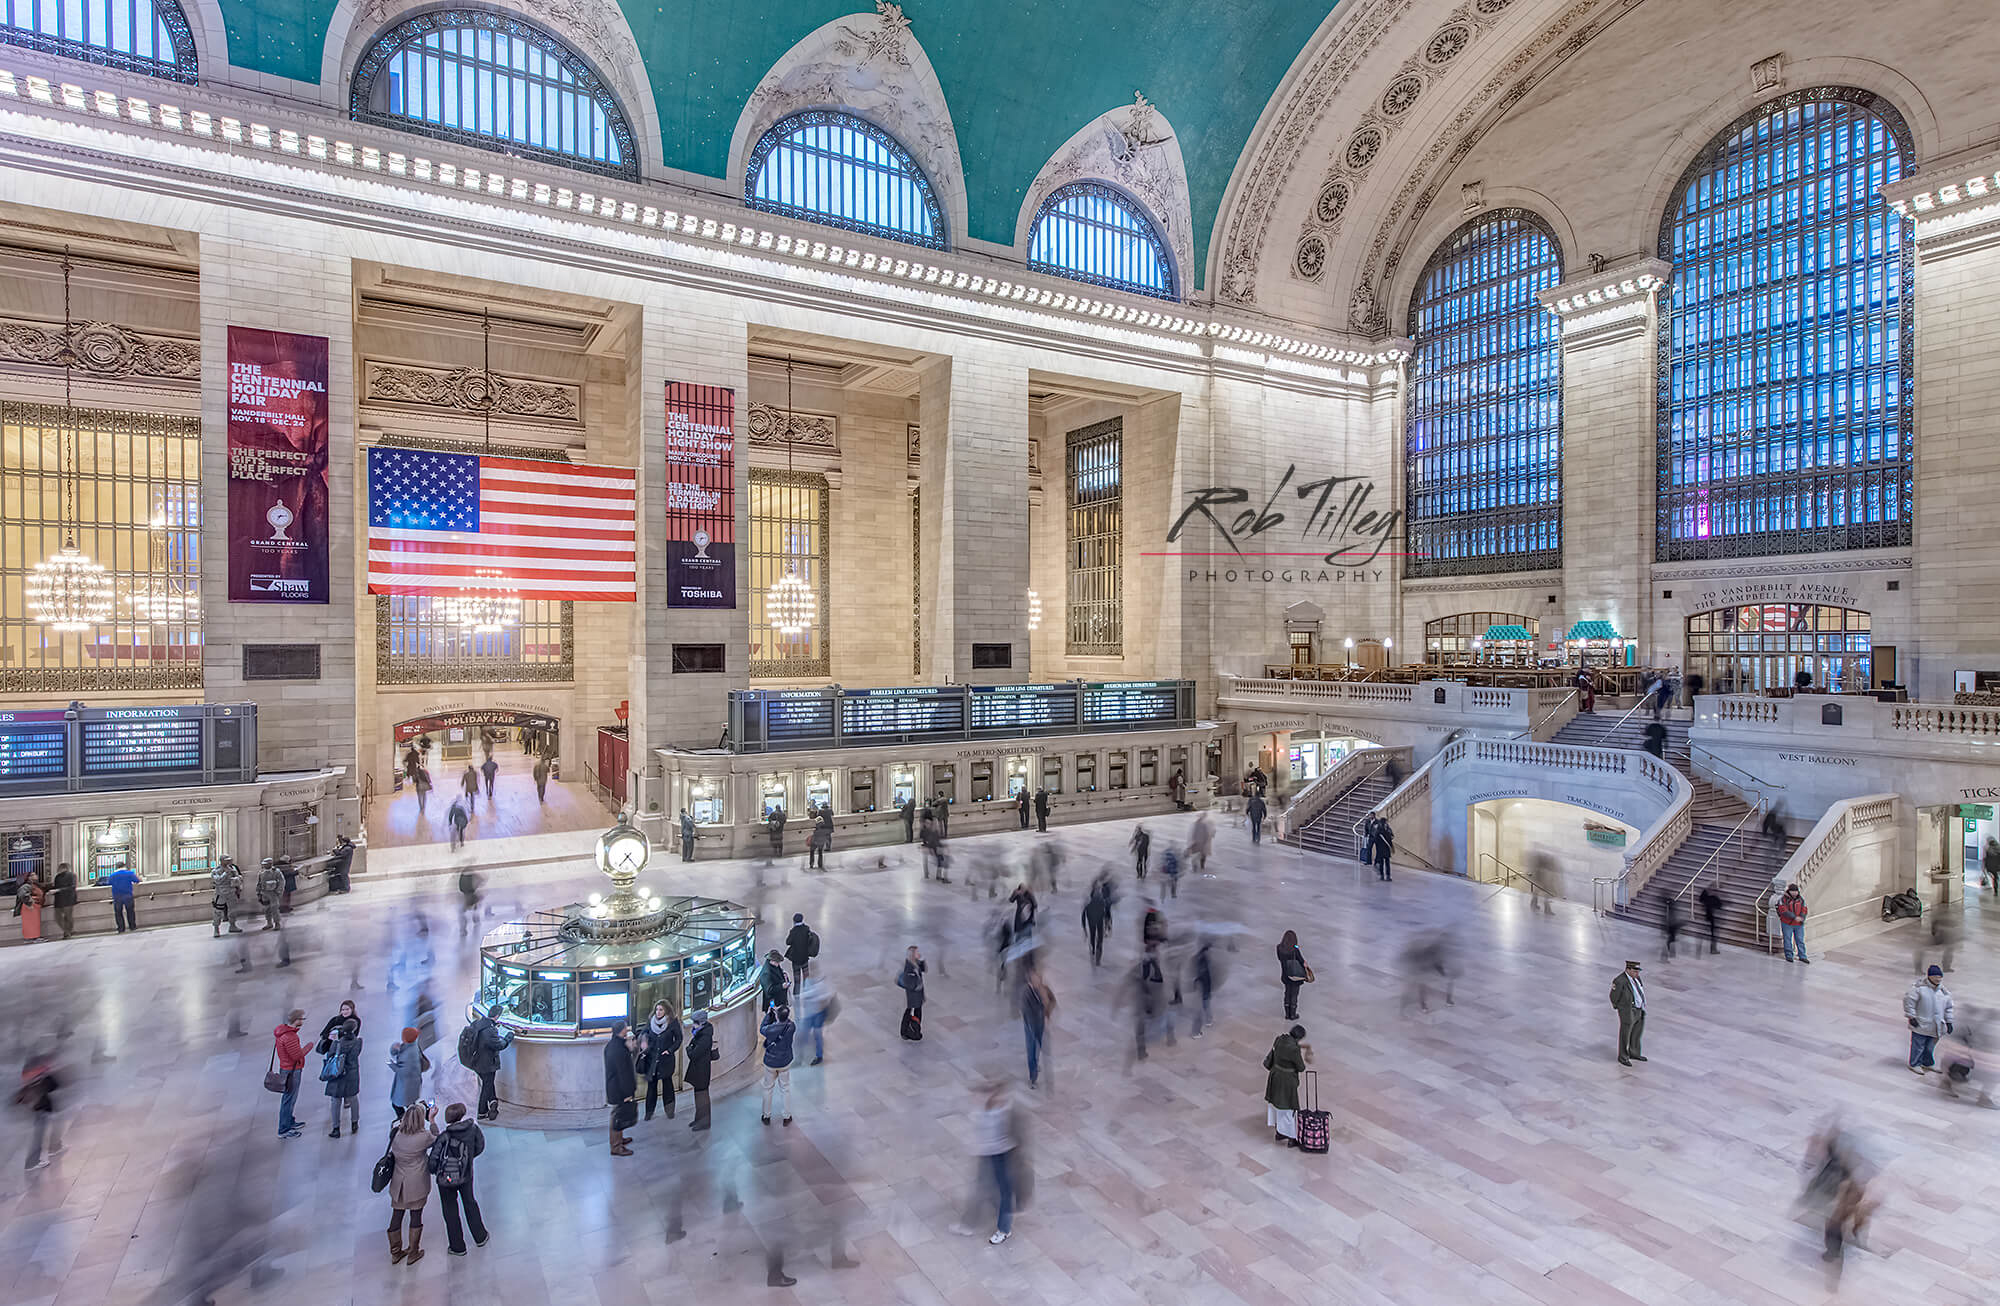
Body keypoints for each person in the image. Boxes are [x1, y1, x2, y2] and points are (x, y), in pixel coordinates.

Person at [950, 1082, 1025, 1245]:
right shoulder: (986, 1107)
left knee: (1004, 1192)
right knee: (982, 1188)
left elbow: (1018, 1137)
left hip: (1003, 1155)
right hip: (987, 1153)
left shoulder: (1007, 1110)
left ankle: (1004, 1229)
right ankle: (969, 1224)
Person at [430, 1103, 489, 1256]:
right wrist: (467, 1160)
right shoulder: (473, 1129)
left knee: (450, 1211)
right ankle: (480, 1236)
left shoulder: (444, 1136)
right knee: (470, 1203)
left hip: (446, 1180)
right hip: (465, 1175)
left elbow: (433, 1162)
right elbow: (480, 1146)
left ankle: (457, 1247)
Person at [385, 1102, 438, 1264]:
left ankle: (395, 1251)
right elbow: (437, 1138)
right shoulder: (423, 1137)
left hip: (398, 1181)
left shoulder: (396, 1134)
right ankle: (413, 1251)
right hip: (416, 1181)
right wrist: (433, 1120)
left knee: (397, 1214)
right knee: (416, 1215)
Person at [1263, 1025, 1308, 1147]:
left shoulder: (1279, 1039)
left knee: (1276, 1105)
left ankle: (1279, 1132)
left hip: (1275, 1075)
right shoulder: (1294, 1049)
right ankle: (1291, 1137)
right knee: (1288, 1108)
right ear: (1299, 1038)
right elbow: (1301, 1067)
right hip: (1287, 1081)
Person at [1905, 965, 1954, 1075]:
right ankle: (1915, 1063)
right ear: (1930, 977)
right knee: (1918, 1045)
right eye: (1935, 976)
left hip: (1936, 1026)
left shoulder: (1944, 992)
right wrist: (1911, 1016)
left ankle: (1927, 1062)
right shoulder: (1919, 989)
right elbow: (1909, 1003)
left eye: (1940, 976)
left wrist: (1949, 1021)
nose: (1938, 979)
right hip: (1921, 1024)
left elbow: (1948, 1008)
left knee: (1930, 1046)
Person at [463, 1009, 510, 1122]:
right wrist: (509, 1036)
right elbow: (499, 1045)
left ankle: (493, 1101)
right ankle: (482, 1111)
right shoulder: (489, 1031)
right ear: (497, 1016)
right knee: (487, 1086)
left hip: (475, 1061)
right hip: (487, 1063)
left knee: (488, 1083)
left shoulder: (477, 1023)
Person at [17, 1050, 60, 1171]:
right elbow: (21, 1076)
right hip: (34, 1102)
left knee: (39, 1125)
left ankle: (36, 1158)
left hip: (34, 1101)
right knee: (39, 1128)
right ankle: (32, 1161)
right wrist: (40, 1070)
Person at [321, 1017, 362, 1137]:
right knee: (353, 1098)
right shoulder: (358, 1042)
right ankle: (354, 1123)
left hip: (337, 1074)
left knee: (335, 1101)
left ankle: (336, 1128)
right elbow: (356, 1054)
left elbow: (330, 1056)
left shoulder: (337, 1043)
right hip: (352, 1073)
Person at [641, 1000, 681, 1119]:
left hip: (665, 1060)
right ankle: (649, 1113)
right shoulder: (651, 1021)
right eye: (657, 1009)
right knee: (651, 1087)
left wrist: (669, 1050)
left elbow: (678, 1039)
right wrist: (643, 1041)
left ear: (666, 1011)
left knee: (667, 1086)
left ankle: (670, 1112)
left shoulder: (672, 1022)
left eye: (661, 1010)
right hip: (652, 1060)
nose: (658, 1012)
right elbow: (644, 1032)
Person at [1019, 959, 1055, 1089]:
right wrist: (1032, 1026)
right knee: (1031, 1049)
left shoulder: (1043, 990)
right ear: (1030, 982)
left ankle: (1035, 1063)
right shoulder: (1026, 994)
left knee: (1038, 1047)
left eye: (1039, 978)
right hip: (1030, 1026)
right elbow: (1025, 1012)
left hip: (1040, 1024)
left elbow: (1052, 1001)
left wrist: (1047, 1014)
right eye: (1036, 979)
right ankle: (1032, 1076)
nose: (1039, 981)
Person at [604, 1020, 638, 1155]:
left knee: (619, 1114)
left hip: (615, 1087)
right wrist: (627, 1092)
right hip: (619, 1090)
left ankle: (619, 1139)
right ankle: (616, 1146)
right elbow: (623, 1073)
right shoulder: (618, 1050)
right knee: (617, 1116)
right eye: (625, 1028)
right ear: (622, 1030)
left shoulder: (612, 1045)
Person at [759, 1004, 796, 1126]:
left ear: (777, 1016)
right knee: (785, 1088)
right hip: (785, 1061)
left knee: (768, 1088)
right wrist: (778, 1014)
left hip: (771, 1063)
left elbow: (762, 1028)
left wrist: (769, 1015)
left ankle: (766, 1115)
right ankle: (787, 1116)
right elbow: (785, 1022)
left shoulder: (770, 1030)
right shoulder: (791, 1026)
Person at [273, 1009, 307, 1137]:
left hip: (287, 1069)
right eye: (302, 1019)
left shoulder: (283, 1032)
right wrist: (309, 1046)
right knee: (289, 1099)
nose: (303, 1021)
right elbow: (296, 1055)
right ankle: (284, 1129)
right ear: (297, 1020)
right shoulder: (290, 1037)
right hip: (292, 1071)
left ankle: (289, 1121)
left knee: (290, 1098)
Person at [684, 1009, 716, 1130]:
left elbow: (693, 1053)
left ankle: (704, 1122)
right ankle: (699, 1119)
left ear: (701, 1023)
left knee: (702, 1096)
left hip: (701, 1070)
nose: (693, 1025)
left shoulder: (704, 1037)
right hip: (699, 1069)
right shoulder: (701, 1033)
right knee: (699, 1095)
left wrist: (689, 1049)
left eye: (695, 1023)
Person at [1610, 961, 1647, 1066]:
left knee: (1636, 1033)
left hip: (1639, 1010)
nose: (1637, 973)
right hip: (1628, 1011)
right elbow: (1613, 996)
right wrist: (1621, 1008)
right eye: (1635, 971)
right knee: (1625, 1034)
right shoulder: (1620, 981)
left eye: (1638, 971)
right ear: (1628, 969)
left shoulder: (1637, 979)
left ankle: (1634, 1052)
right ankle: (1623, 1057)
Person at [388, 1026, 423, 1124]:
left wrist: (392, 1066)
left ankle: (406, 1121)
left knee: (399, 1105)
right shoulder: (412, 1046)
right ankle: (410, 1120)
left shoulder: (410, 1054)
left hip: (407, 1085)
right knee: (410, 1105)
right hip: (410, 1083)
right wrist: (395, 1048)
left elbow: (404, 1071)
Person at [797, 974, 834, 1066]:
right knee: (806, 1034)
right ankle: (801, 1055)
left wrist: (812, 996)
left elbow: (826, 997)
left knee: (816, 1035)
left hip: (817, 1015)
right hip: (810, 1014)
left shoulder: (821, 985)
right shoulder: (809, 982)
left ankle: (818, 1056)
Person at [1276, 930, 1311, 1021]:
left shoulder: (1279, 947)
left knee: (1287, 993)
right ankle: (1293, 1014)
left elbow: (1279, 958)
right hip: (1295, 976)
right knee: (1294, 994)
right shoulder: (1295, 949)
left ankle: (1287, 1014)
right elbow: (1302, 961)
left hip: (1285, 975)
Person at [1776, 883, 1810, 963]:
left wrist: (1802, 918)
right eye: (1793, 891)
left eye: (1796, 891)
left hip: (1798, 924)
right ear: (1789, 891)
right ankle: (1789, 955)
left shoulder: (1801, 900)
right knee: (1787, 939)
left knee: (1800, 940)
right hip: (1787, 923)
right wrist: (1795, 917)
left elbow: (1804, 909)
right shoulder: (1783, 899)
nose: (1795, 893)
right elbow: (1783, 910)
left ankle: (1802, 956)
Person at [898, 945, 927, 1040]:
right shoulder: (909, 967)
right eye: (917, 952)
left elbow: (924, 970)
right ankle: (910, 1031)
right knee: (912, 1010)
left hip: (918, 993)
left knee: (915, 1010)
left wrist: (922, 960)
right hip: (913, 993)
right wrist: (916, 986)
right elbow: (909, 982)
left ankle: (914, 1030)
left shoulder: (916, 963)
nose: (919, 954)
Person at [1081, 879, 1112, 966]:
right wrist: (1108, 924)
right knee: (1098, 938)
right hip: (1098, 922)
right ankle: (1097, 952)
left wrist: (1084, 927)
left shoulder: (1089, 903)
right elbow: (1107, 913)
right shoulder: (1101, 901)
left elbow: (1083, 915)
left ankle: (1094, 949)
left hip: (1093, 922)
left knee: (1093, 936)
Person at [1188, 940, 1215, 1037]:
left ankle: (1208, 1020)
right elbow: (1204, 976)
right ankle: (1205, 1023)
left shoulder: (1197, 958)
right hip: (1203, 987)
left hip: (1200, 987)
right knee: (1204, 1005)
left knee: (1204, 1004)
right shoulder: (1203, 962)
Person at [785, 913, 818, 990]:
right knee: (806, 978)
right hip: (805, 958)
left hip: (796, 959)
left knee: (797, 980)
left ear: (794, 921)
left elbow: (788, 942)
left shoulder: (793, 931)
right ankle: (807, 991)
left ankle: (797, 994)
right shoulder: (806, 929)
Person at [209, 858, 242, 936]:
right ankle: (216, 929)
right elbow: (218, 880)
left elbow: (238, 878)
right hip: (221, 893)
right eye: (226, 860)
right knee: (218, 912)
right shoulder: (216, 870)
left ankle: (232, 925)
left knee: (233, 910)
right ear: (222, 861)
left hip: (231, 892)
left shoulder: (232, 868)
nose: (229, 861)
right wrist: (225, 873)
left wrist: (237, 882)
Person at [107, 862, 139, 933]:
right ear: (124, 866)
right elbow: (137, 880)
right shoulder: (129, 873)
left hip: (117, 896)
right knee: (130, 911)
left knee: (118, 913)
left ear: (116, 867)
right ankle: (132, 926)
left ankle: (121, 928)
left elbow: (108, 883)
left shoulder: (112, 875)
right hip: (128, 895)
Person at [14, 869, 43, 943]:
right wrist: (29, 902)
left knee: (34, 923)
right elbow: (22, 894)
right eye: (33, 875)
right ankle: (31, 937)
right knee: (30, 923)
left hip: (34, 907)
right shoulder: (26, 885)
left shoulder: (35, 885)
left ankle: (34, 937)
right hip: (29, 907)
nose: (36, 876)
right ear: (29, 877)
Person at [48, 862, 76, 939]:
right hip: (59, 900)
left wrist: (58, 890)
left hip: (68, 899)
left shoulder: (71, 875)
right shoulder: (58, 877)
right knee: (58, 918)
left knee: (68, 917)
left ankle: (67, 932)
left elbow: (72, 887)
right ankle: (67, 931)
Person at [757, 948, 791, 1013]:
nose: (778, 964)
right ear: (771, 960)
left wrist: (783, 974)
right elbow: (769, 990)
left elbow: (779, 972)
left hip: (779, 1000)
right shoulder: (767, 973)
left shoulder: (774, 966)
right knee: (773, 1017)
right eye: (777, 962)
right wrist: (782, 986)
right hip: (773, 1002)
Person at [255, 858, 284, 931]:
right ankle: (269, 923)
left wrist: (278, 891)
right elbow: (259, 883)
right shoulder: (261, 872)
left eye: (266, 864)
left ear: (270, 864)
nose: (264, 865)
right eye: (263, 864)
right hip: (264, 893)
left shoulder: (276, 872)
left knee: (275, 909)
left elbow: (281, 881)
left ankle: (277, 923)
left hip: (273, 893)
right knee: (266, 909)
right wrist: (258, 893)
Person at [1698, 885, 1724, 954]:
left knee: (1709, 932)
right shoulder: (1713, 898)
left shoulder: (1706, 896)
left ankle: (1709, 948)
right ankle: (1713, 949)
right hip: (1712, 917)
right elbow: (1720, 905)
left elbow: (1700, 899)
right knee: (1713, 934)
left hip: (1708, 916)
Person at [1369, 815, 1395, 881]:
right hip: (1386, 849)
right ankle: (1388, 876)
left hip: (1380, 849)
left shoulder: (1378, 831)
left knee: (1381, 863)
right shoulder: (1388, 830)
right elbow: (1391, 838)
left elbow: (1375, 840)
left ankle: (1382, 875)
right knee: (1387, 863)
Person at [808, 803, 833, 871]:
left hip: (816, 840)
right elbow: (832, 814)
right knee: (821, 851)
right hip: (828, 827)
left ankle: (811, 863)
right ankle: (828, 847)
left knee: (812, 851)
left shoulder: (820, 811)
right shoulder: (830, 810)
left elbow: (816, 817)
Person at [1659, 896, 1682, 961]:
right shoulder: (1670, 909)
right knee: (1671, 939)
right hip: (1672, 925)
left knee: (1670, 939)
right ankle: (1671, 953)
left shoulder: (1669, 910)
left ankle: (1670, 953)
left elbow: (1667, 918)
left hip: (1671, 925)